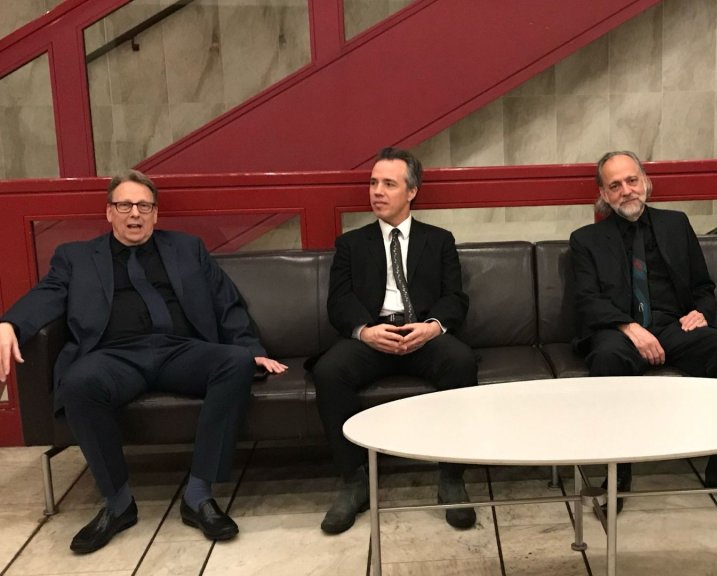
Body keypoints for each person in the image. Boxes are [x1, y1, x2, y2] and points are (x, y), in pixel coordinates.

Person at [0, 170, 287, 553]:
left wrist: (252, 349)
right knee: (78, 382)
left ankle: (198, 495)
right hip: (114, 355)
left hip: (180, 350)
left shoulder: (188, 248)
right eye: (125, 205)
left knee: (235, 363)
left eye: (143, 206)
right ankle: (118, 503)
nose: (134, 214)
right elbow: (48, 294)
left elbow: (225, 301)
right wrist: (10, 323)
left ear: (155, 213)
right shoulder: (77, 257)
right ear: (109, 212)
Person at [569, 150, 717, 514]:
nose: (626, 190)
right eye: (615, 185)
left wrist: (701, 313)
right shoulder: (586, 240)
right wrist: (629, 328)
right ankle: (618, 471)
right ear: (604, 194)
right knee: (608, 358)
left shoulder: (676, 224)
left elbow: (704, 286)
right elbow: (586, 301)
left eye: (632, 180)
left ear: (645, 182)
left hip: (674, 326)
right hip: (618, 329)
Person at [312, 147, 478, 535]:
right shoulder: (351, 244)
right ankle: (354, 481)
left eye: (389, 183)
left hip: (423, 334)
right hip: (373, 335)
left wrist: (433, 326)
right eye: (373, 183)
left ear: (412, 191)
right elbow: (339, 301)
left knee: (461, 362)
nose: (377, 192)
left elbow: (455, 297)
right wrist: (365, 331)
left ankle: (452, 477)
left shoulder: (439, 240)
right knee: (329, 372)